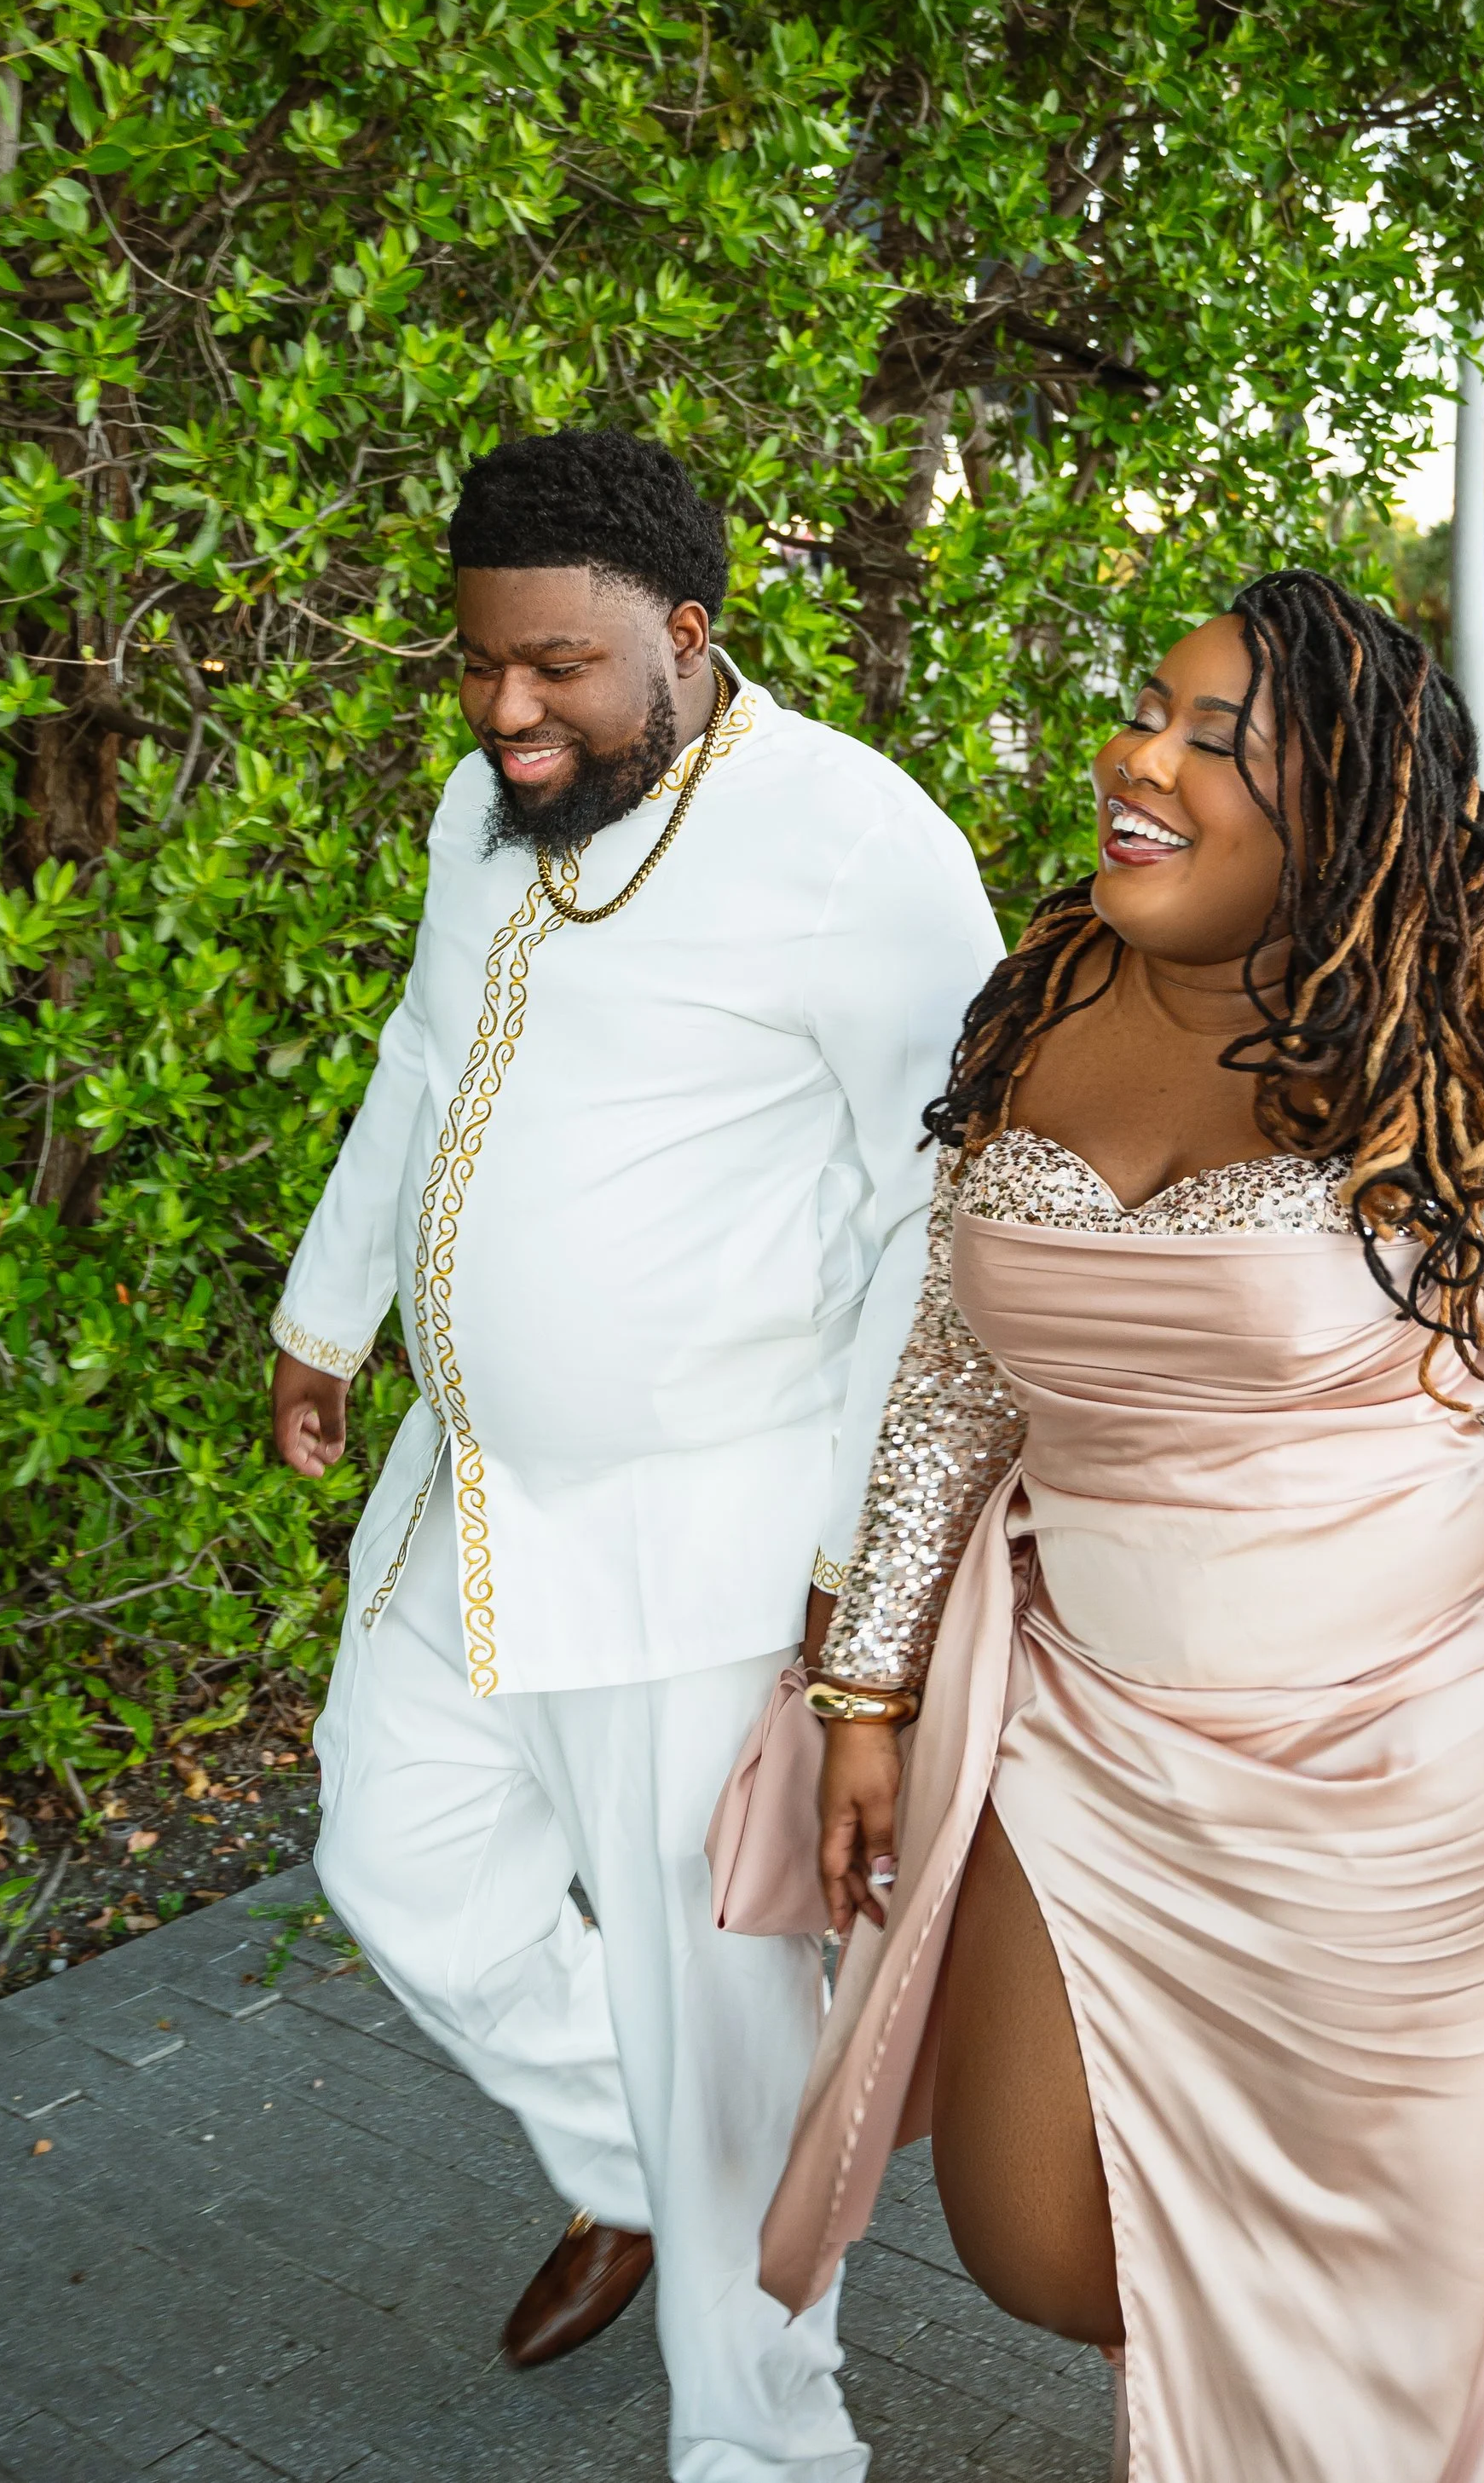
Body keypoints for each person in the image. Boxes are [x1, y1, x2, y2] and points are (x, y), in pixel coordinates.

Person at [762, 570, 1484, 2482]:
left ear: (1340, 818)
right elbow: (960, 1361)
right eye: (1144, 709)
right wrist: (862, 1683)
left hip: (1401, 1758)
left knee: (1357, 2283)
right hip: (1083, 1717)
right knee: (1032, 2236)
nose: (1136, 756)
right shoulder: (1043, 997)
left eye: (1215, 742)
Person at [269, 429, 1002, 2482]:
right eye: (479, 663)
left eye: (560, 668)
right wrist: (328, 1313)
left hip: (711, 1534)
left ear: (686, 635)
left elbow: (922, 1221)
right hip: (472, 1487)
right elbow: (429, 1055)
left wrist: (870, 1565)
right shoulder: (485, 799)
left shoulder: (854, 843)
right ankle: (645, 2171)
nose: (508, 710)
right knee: (395, 1847)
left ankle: (765, 2440)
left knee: (723, 2023)